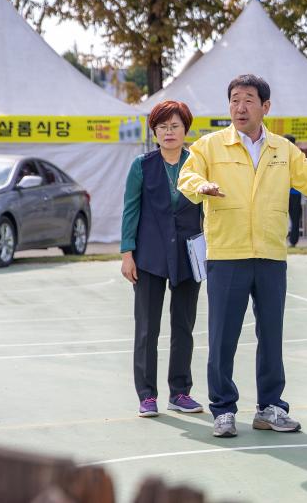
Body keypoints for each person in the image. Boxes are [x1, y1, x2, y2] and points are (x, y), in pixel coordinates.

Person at [178, 74, 307, 438]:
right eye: (235, 99)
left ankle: (270, 407)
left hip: (270, 253)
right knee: (223, 336)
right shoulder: (209, 146)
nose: (240, 107)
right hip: (227, 253)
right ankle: (222, 409)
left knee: (272, 335)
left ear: (265, 107)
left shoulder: (282, 150)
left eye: (249, 100)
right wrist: (200, 186)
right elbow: (186, 177)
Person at [120, 101, 204, 418]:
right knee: (147, 329)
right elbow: (131, 210)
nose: (169, 132)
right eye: (163, 126)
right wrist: (128, 253)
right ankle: (147, 395)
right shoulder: (141, 166)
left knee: (184, 326)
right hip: (149, 256)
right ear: (154, 131)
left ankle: (180, 392)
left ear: (185, 130)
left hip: (188, 255)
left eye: (175, 126)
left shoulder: (197, 164)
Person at [283, 134, 303, 246]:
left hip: (286, 192)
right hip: (295, 193)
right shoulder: (298, 155)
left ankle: (290, 240)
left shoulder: (285, 154)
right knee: (294, 218)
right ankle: (293, 241)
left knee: (281, 217)